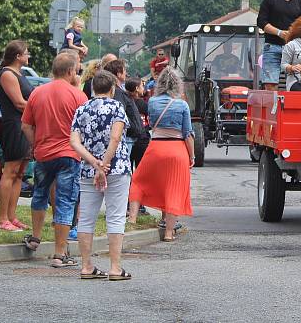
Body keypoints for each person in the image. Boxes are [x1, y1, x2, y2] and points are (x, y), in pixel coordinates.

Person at [20, 52, 87, 266]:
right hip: (69, 154)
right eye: (76, 69)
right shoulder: (78, 96)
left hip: (43, 154)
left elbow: (26, 125)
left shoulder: (37, 93)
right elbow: (85, 128)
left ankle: (35, 238)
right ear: (70, 71)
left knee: (39, 194)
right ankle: (60, 253)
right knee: (65, 200)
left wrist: (36, 144)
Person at [69, 69, 132, 280]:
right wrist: (104, 164)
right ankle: (115, 267)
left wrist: (94, 163)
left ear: (93, 88)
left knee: (86, 218)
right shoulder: (117, 108)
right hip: (116, 167)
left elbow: (74, 142)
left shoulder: (81, 109)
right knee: (115, 217)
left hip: (88, 169)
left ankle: (87, 266)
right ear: (112, 88)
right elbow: (115, 138)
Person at [127, 68, 193, 241]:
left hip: (155, 147)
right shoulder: (182, 105)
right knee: (173, 189)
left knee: (138, 180)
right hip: (177, 150)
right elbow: (188, 134)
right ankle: (169, 233)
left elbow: (152, 124)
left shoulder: (153, 102)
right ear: (178, 85)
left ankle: (132, 219)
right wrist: (191, 156)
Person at [0, 40, 34, 231]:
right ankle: (2, 218)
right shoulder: (7, 74)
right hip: (14, 126)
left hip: (24, 125)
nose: (28, 56)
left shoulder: (20, 73)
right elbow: (19, 103)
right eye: (26, 53)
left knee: (20, 173)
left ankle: (12, 216)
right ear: (17, 56)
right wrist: (40, 108)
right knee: (10, 171)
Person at [257, 0, 301, 91]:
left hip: (295, 49)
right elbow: (261, 22)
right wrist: (279, 33)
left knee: (298, 84)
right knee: (270, 84)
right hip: (272, 46)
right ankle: (272, 110)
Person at [104, 59, 145, 158]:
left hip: (129, 136)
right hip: (127, 137)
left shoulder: (117, 91)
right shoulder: (118, 92)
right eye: (124, 70)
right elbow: (119, 114)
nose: (126, 73)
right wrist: (132, 126)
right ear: (118, 74)